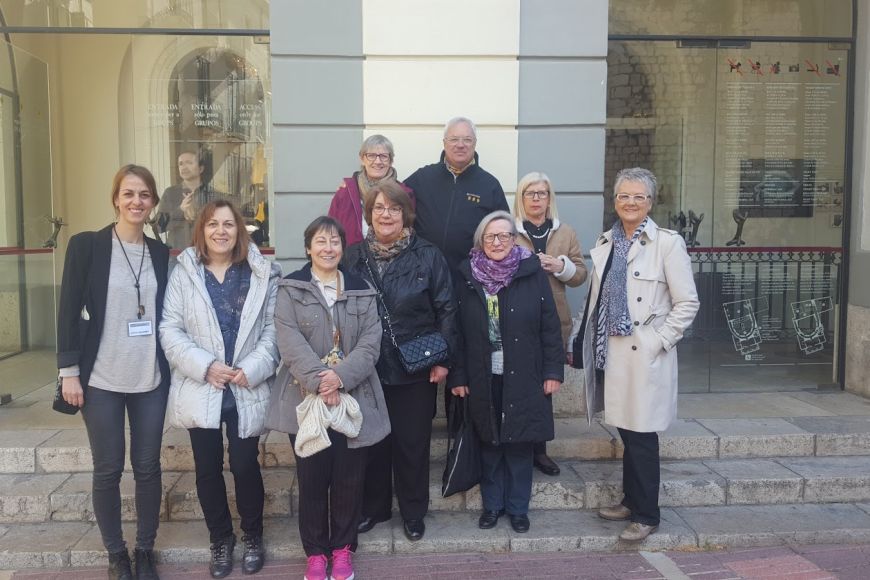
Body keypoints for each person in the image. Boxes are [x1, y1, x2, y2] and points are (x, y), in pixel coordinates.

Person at [568, 167, 699, 542]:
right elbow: (596, 299)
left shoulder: (668, 244)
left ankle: (646, 514)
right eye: (624, 196)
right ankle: (630, 500)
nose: (630, 202)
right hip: (611, 351)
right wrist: (580, 338)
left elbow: (687, 302)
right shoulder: (607, 240)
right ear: (615, 201)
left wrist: (660, 341)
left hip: (645, 353)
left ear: (651, 202)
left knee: (642, 435)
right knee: (627, 429)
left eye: (639, 197)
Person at [57, 164, 170, 580]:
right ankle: (116, 554)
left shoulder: (160, 253)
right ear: (116, 199)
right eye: (128, 194)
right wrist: (68, 371)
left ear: (153, 203)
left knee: (147, 466)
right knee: (108, 468)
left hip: (149, 379)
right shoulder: (86, 246)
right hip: (100, 377)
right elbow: (68, 310)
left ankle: (144, 550)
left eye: (144, 195)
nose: (136, 201)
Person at [160, 200, 280, 578]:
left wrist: (251, 368)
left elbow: (275, 331)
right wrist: (205, 366)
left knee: (245, 464)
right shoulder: (184, 272)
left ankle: (253, 535)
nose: (221, 231)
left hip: (245, 384)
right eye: (213, 224)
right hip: (203, 384)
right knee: (207, 467)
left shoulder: (262, 272)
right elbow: (169, 329)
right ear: (202, 229)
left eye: (229, 224)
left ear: (240, 230)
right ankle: (221, 539)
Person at [267, 216, 390, 580]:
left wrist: (341, 377)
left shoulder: (361, 290)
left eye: (335, 241)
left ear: (342, 248)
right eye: (320, 241)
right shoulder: (291, 289)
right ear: (308, 248)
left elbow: (371, 342)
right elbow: (287, 340)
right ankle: (316, 554)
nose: (328, 248)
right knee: (313, 479)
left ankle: (342, 550)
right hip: (305, 400)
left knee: (350, 480)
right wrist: (322, 380)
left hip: (355, 396)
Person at [343, 180, 458, 542]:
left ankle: (412, 512)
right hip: (367, 368)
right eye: (379, 208)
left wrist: (443, 359)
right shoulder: (352, 256)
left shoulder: (428, 254)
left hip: (416, 366)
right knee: (372, 443)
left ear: (405, 214)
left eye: (393, 208)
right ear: (369, 214)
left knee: (412, 445)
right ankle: (374, 509)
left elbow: (447, 307)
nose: (386, 215)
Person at [449, 210, 563, 534]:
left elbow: (550, 327)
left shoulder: (531, 273)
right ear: (480, 242)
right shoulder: (467, 276)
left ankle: (517, 508)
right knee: (489, 442)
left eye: (504, 236)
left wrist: (552, 371)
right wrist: (458, 376)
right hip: (482, 374)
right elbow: (456, 332)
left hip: (525, 373)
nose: (497, 242)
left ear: (514, 240)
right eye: (490, 236)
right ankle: (492, 506)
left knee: (519, 443)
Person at [512, 171, 588, 477]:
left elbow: (581, 274)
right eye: (530, 193)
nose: (536, 199)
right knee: (519, 386)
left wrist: (561, 266)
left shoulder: (565, 232)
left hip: (553, 322)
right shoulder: (510, 230)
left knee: (546, 387)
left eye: (542, 193)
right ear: (521, 198)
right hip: (517, 322)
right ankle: (518, 446)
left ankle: (540, 451)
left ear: (549, 198)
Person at [405, 116, 508, 274]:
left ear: (475, 143)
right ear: (444, 142)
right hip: (423, 273)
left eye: (467, 139)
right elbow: (394, 203)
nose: (460, 145)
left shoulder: (489, 185)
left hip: (470, 276)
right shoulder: (423, 178)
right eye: (454, 139)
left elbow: (504, 231)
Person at [328, 134, 414, 246]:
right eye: (371, 155)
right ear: (362, 159)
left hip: (394, 260)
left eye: (383, 156)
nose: (378, 161)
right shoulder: (344, 194)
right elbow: (330, 232)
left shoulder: (404, 194)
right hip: (350, 261)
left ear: (391, 161)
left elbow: (409, 233)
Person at [154, 150, 208, 249]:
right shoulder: (170, 193)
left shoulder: (211, 194)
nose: (184, 167)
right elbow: (159, 227)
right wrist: (180, 210)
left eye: (189, 162)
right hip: (176, 254)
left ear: (201, 168)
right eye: (181, 164)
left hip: (206, 252)